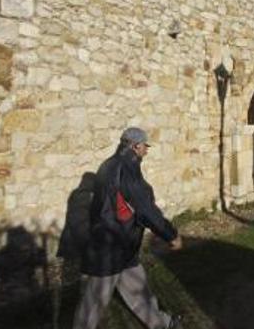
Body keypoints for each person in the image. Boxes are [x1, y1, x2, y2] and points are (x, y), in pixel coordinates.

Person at [72, 127, 183, 329]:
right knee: (93, 305)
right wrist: (171, 235)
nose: (146, 150)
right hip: (109, 247)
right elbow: (145, 209)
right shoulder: (126, 169)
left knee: (139, 292)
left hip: (122, 246)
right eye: (144, 146)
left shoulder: (109, 164)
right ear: (135, 145)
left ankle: (164, 324)